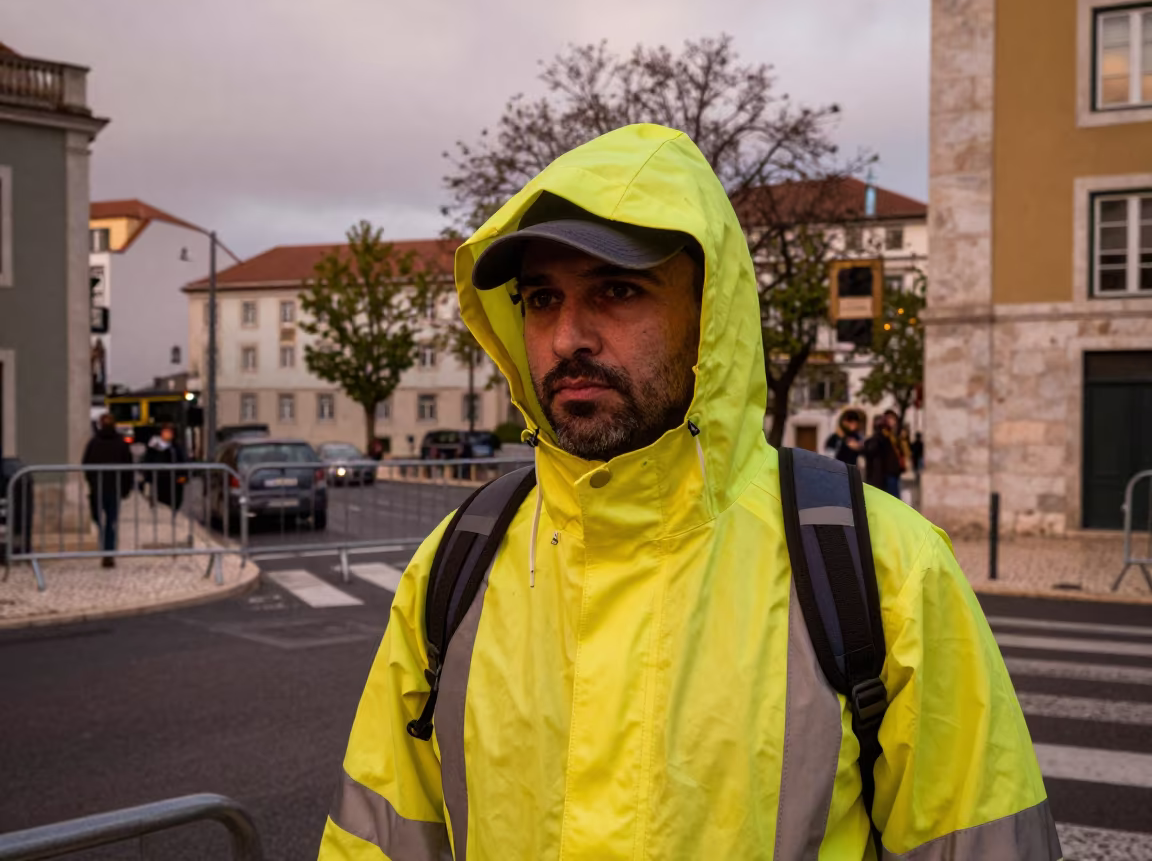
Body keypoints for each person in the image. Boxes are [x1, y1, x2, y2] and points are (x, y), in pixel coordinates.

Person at [319, 125, 1058, 860]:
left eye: (617, 290)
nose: (567, 335)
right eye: (541, 298)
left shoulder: (886, 569)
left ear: (710, 314)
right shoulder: (454, 567)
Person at [81, 413, 134, 568]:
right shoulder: (109, 443)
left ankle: (108, 552)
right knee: (109, 521)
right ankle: (108, 550)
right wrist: (125, 488)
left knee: (106, 521)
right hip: (108, 488)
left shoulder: (96, 442)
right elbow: (128, 468)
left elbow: (86, 464)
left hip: (103, 489)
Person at [141, 423, 188, 517]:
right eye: (165, 432)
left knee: (173, 506)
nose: (168, 434)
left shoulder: (176, 448)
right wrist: (147, 480)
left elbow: (183, 463)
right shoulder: (154, 447)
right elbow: (147, 463)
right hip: (159, 483)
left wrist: (183, 478)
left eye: (170, 432)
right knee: (160, 509)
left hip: (174, 484)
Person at [864, 412, 903, 498]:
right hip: (887, 474)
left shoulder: (892, 436)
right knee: (892, 499)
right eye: (890, 419)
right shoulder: (881, 437)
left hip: (892, 472)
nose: (893, 422)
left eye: (893, 419)